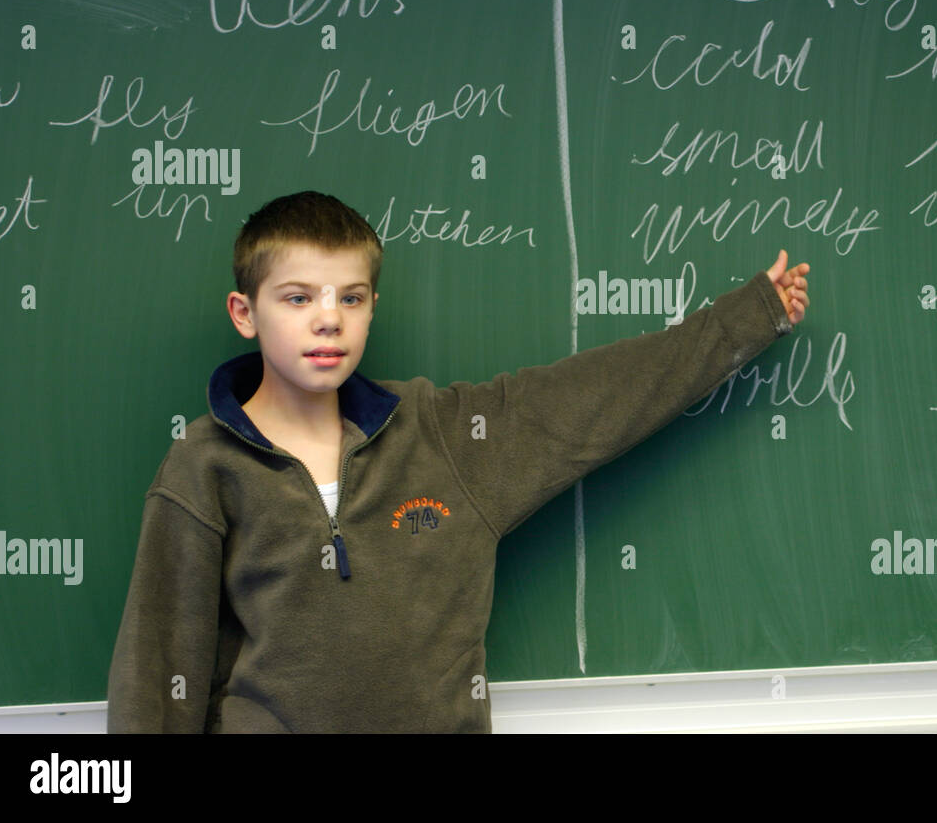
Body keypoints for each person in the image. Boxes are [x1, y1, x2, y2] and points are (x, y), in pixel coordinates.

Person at [107, 190, 810, 732]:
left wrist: (746, 318)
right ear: (244, 311)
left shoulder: (445, 436)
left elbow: (596, 397)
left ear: (372, 307)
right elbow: (157, 670)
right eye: (298, 298)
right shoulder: (203, 468)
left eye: (350, 298)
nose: (328, 320)